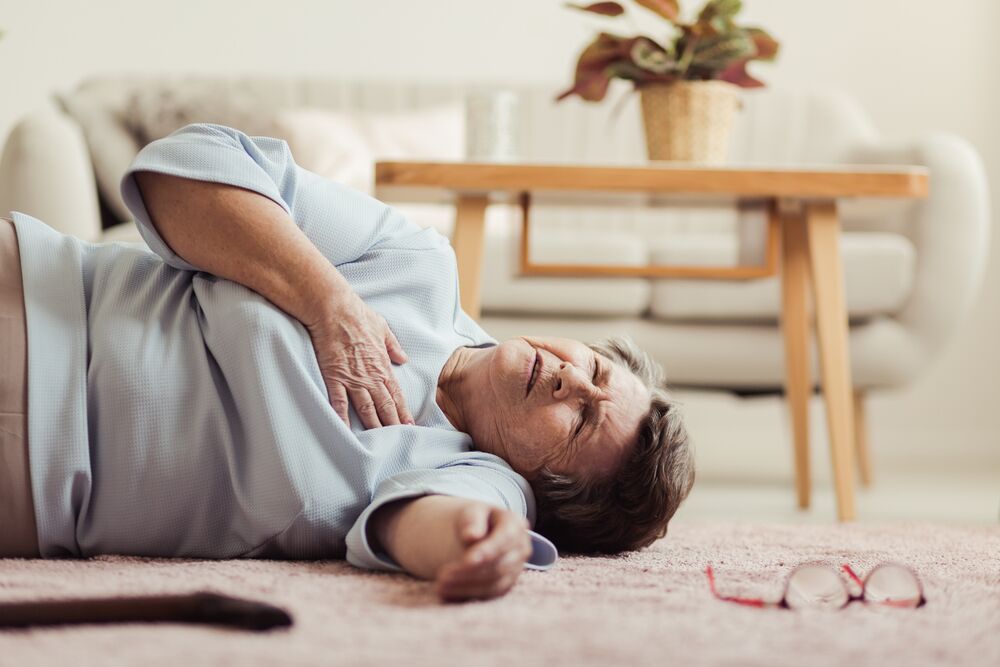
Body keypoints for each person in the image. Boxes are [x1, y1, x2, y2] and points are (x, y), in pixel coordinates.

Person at [0, 124, 694, 601]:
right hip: (33, 298)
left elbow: (431, 524)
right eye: (596, 371)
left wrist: (477, 546)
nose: (573, 381)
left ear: (543, 490)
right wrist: (328, 300)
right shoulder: (418, 266)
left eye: (580, 421)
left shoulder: (477, 478)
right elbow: (185, 167)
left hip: (32, 481)